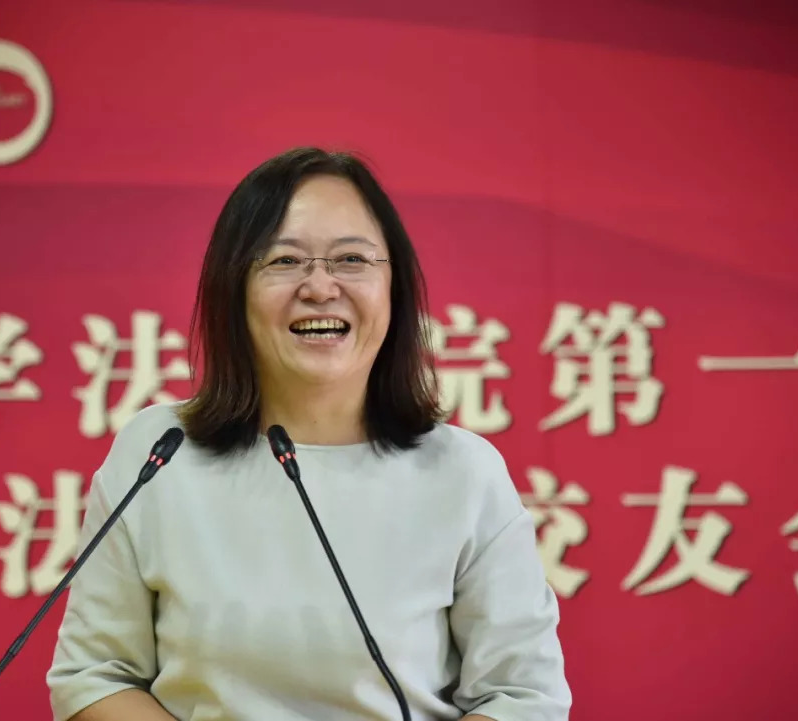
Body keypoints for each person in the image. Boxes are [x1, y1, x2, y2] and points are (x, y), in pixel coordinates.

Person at [46, 147, 572, 721]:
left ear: (393, 288)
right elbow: (93, 676)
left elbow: (524, 697)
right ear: (233, 289)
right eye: (285, 261)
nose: (320, 287)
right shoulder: (159, 454)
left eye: (351, 259)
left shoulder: (463, 473)